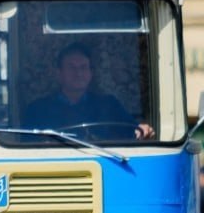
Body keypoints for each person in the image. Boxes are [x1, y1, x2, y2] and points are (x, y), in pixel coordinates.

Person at [22, 42, 154, 140]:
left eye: (83, 67)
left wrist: (142, 130)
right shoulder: (37, 110)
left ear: (91, 73)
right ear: (59, 73)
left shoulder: (108, 105)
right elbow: (27, 147)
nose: (78, 73)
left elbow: (132, 130)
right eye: (71, 67)